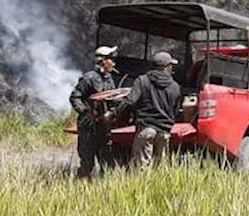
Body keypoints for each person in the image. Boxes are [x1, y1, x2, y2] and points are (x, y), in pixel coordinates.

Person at [118, 51, 182, 171]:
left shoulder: (142, 81)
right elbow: (176, 109)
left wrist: (115, 113)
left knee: (140, 168)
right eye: (171, 65)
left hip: (146, 128)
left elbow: (130, 101)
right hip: (164, 132)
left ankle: (140, 189)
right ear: (166, 67)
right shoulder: (175, 86)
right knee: (160, 169)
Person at [69, 46, 118, 178]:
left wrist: (112, 113)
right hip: (88, 128)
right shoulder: (89, 78)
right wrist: (85, 112)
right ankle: (81, 187)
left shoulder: (109, 79)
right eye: (111, 59)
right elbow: (75, 97)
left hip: (104, 128)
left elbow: (112, 101)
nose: (113, 62)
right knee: (87, 162)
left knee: (106, 162)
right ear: (102, 61)